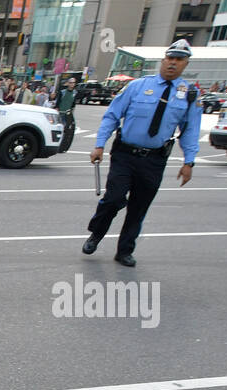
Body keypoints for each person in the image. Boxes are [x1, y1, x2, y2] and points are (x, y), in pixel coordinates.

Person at [83, 39, 201, 267]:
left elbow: (190, 130)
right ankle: (96, 234)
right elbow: (112, 115)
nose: (172, 64)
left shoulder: (189, 95)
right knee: (113, 199)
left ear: (186, 64)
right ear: (163, 60)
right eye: (170, 59)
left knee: (139, 207)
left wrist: (189, 161)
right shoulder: (137, 86)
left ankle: (125, 250)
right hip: (125, 155)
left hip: (154, 159)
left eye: (179, 60)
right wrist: (99, 145)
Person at [55, 75, 77, 152]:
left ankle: (62, 146)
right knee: (58, 129)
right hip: (60, 112)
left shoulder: (75, 93)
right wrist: (57, 109)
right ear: (68, 83)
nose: (71, 84)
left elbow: (73, 105)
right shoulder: (63, 92)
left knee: (66, 130)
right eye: (70, 82)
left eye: (73, 83)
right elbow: (58, 102)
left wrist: (71, 113)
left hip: (67, 114)